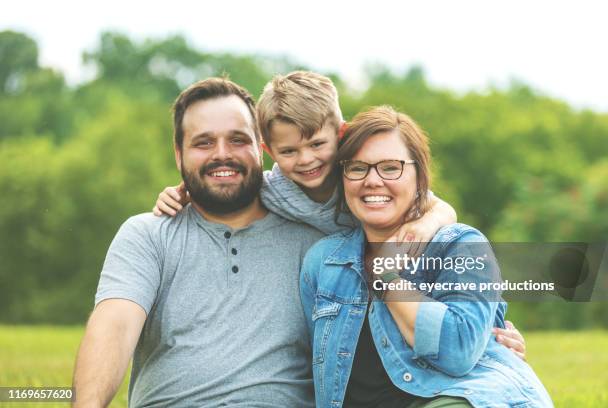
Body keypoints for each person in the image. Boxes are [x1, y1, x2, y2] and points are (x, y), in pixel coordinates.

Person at [154, 71, 528, 358]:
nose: (307, 160)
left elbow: (442, 208)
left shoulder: (362, 180)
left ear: (341, 133)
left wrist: (421, 225)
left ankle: (495, 342)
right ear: (267, 150)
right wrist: (180, 193)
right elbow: (225, 188)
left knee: (470, 313)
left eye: (318, 144)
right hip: (349, 287)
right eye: (289, 151)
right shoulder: (271, 190)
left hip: (414, 274)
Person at [72, 78, 325, 407]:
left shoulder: (314, 240)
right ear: (179, 155)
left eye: (237, 140)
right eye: (203, 143)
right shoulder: (148, 235)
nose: (222, 154)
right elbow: (115, 326)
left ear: (261, 148)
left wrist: (417, 220)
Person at [299, 106, 553, 407]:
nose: (372, 180)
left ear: (419, 177)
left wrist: (388, 278)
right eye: (357, 168)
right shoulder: (324, 261)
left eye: (391, 167)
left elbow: (456, 350)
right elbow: (311, 368)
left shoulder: (461, 245)